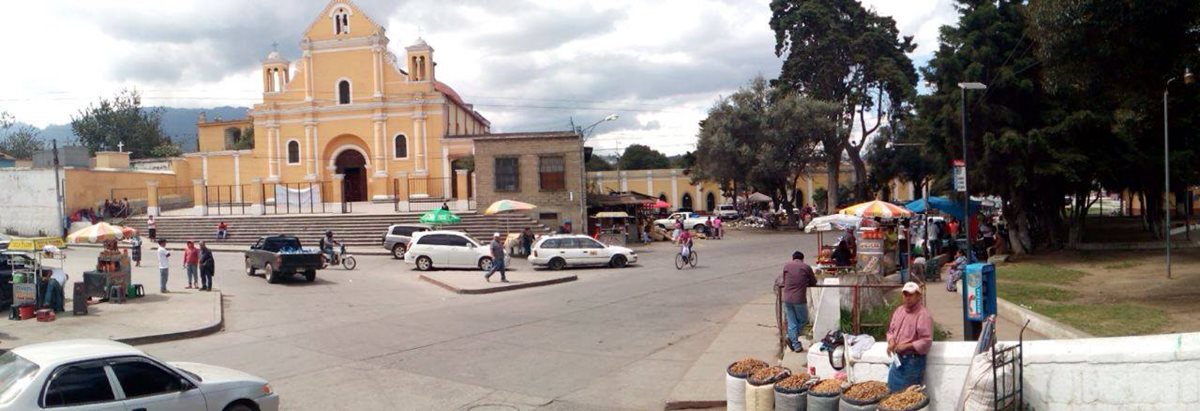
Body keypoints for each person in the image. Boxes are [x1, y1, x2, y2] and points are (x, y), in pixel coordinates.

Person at [887, 282, 933, 393]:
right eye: (905, 294)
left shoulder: (923, 314)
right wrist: (891, 342)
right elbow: (891, 331)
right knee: (892, 390)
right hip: (898, 359)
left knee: (907, 396)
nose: (907, 298)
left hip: (913, 361)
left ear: (918, 296)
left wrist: (907, 346)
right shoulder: (899, 311)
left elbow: (926, 341)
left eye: (911, 295)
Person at [775, 251, 818, 352]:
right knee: (803, 320)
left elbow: (785, 281)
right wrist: (805, 282)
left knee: (792, 322)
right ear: (802, 259)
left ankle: (795, 344)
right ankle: (792, 338)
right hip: (799, 299)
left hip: (787, 299)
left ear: (793, 258)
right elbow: (813, 282)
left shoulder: (786, 266)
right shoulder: (806, 267)